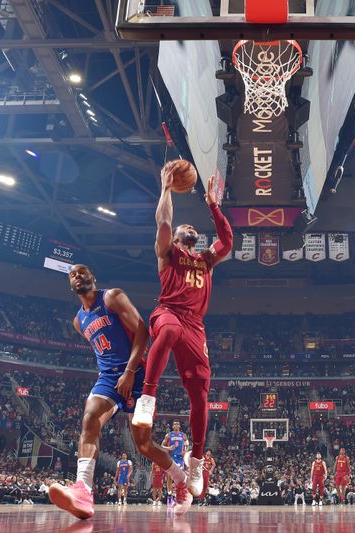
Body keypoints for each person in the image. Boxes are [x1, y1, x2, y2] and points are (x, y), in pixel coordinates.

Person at [131, 166, 233, 516]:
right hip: (168, 313)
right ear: (175, 240)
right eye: (182, 229)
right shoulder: (168, 254)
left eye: (193, 228)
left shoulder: (205, 260)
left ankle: (197, 459)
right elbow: (162, 223)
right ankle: (148, 396)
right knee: (170, 330)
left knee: (201, 394)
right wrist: (166, 189)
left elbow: (228, 242)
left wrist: (213, 206)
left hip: (196, 327)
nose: (189, 229)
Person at [51, 265, 181, 519]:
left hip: (138, 373)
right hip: (108, 377)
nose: (78, 275)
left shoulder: (112, 296)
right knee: (89, 418)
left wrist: (130, 370)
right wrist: (115, 373)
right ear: (70, 285)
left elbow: (142, 331)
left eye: (82, 271)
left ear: (93, 277)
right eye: (73, 274)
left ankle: (180, 478)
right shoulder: (79, 321)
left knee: (144, 445)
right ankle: (83, 491)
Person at [162, 420, 188, 502]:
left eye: (177, 424)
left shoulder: (183, 435)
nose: (176, 425)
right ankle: (169, 494)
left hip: (180, 458)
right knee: (169, 476)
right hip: (171, 457)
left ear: (179, 426)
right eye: (174, 424)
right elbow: (162, 445)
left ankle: (177, 495)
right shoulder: (169, 435)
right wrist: (169, 448)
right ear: (173, 426)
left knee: (179, 478)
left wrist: (185, 451)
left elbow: (187, 445)